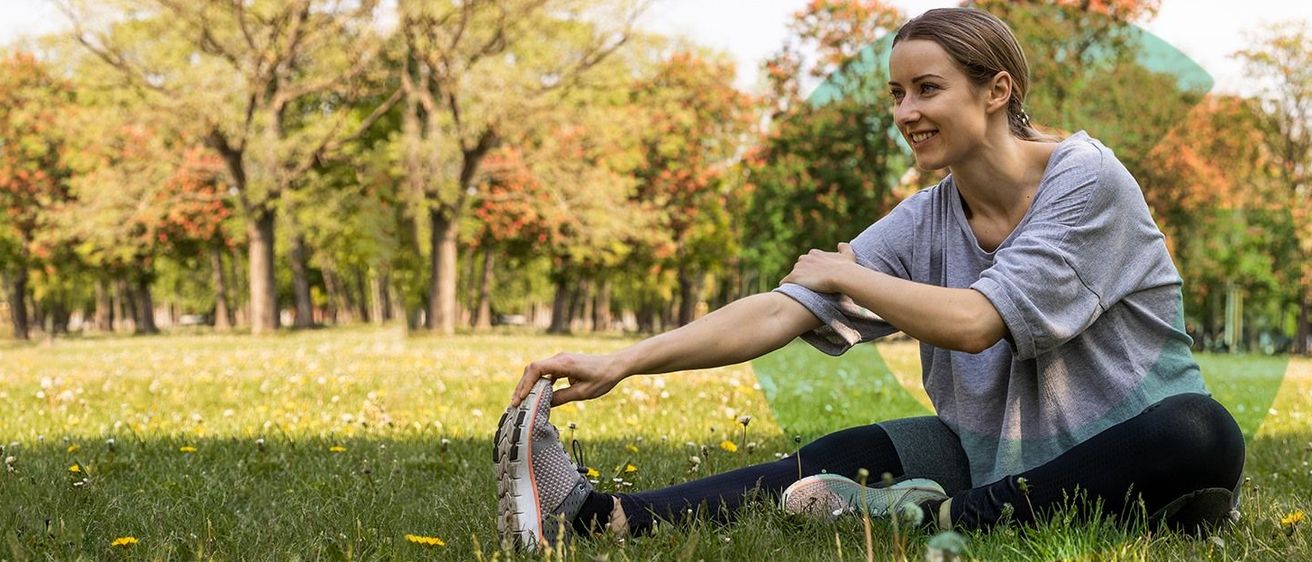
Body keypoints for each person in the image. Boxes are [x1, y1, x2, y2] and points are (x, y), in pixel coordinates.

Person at [492, 6, 1245, 550]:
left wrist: (849, 276)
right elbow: (779, 311)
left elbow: (978, 321)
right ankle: (599, 518)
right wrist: (622, 360)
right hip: (1001, 463)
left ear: (998, 91)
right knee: (857, 446)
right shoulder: (925, 219)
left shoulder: (1087, 180)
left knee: (1199, 428)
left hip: (1152, 468)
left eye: (927, 89)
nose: (906, 112)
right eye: (896, 94)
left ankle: (930, 520)